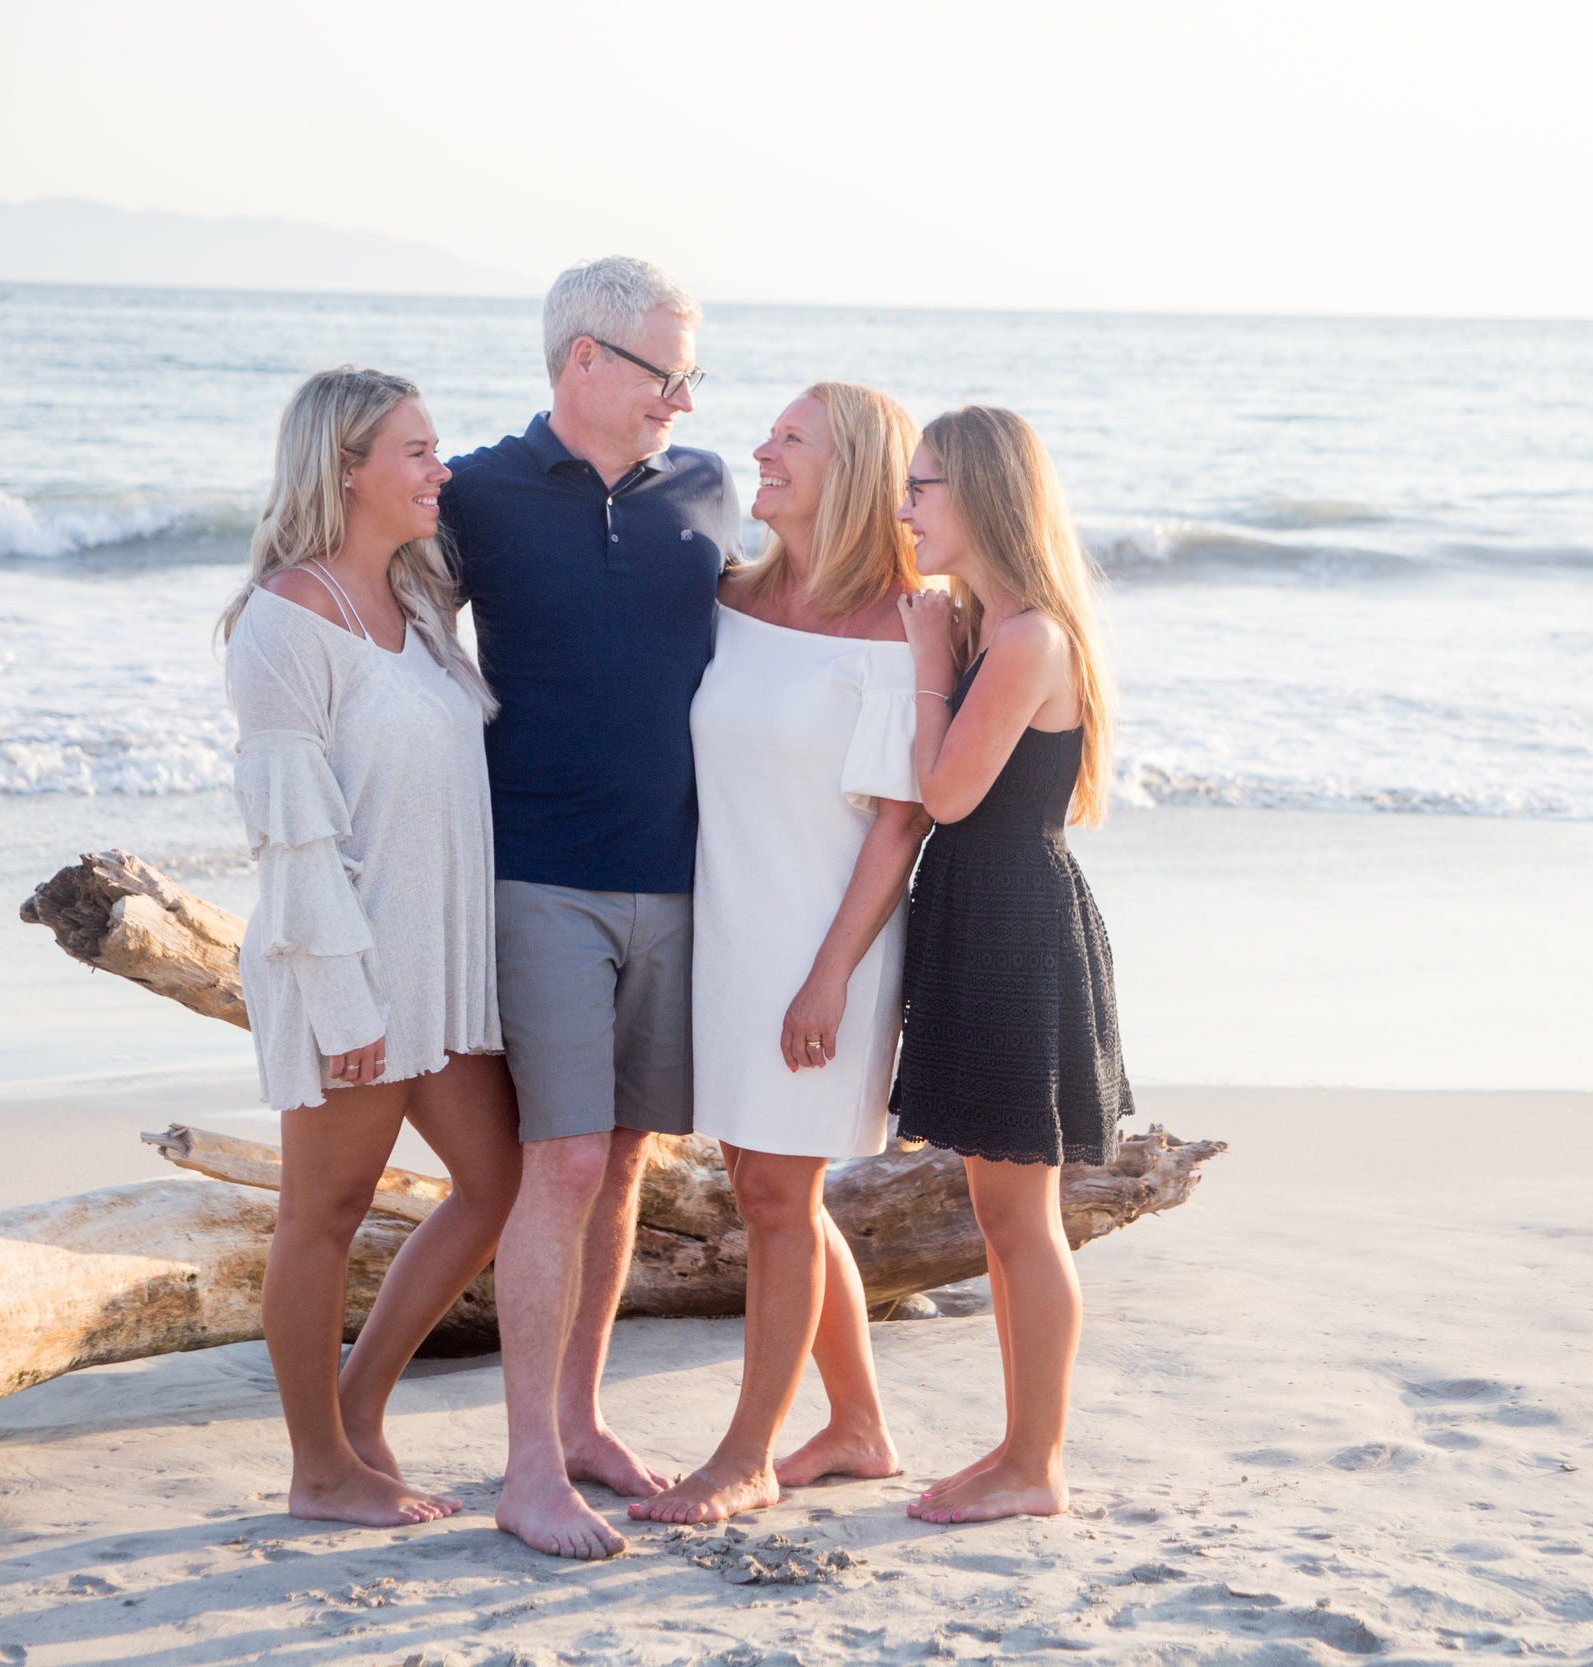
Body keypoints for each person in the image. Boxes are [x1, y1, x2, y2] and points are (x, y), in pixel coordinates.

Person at [439, 257, 741, 1559]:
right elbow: (374, 632)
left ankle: (579, 1422)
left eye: (691, 373)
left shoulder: (711, 488)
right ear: (582, 362)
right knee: (559, 1158)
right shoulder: (475, 495)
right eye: (662, 370)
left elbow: (795, 621)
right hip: (540, 875)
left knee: (625, 1160)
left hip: (683, 878)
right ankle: (522, 1469)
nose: (682, 395)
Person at [218, 367, 521, 1528]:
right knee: (323, 1212)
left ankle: (357, 1409)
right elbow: (293, 841)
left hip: (439, 970)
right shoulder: (285, 619)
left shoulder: (417, 603)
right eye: (417, 450)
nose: (439, 469)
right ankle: (318, 1467)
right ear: (345, 465)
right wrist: (347, 1009)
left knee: (495, 1186)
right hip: (344, 969)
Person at [630, 385, 931, 1525]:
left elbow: (899, 822)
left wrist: (828, 976)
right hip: (729, 924)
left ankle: (745, 1453)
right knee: (774, 1190)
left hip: (830, 940)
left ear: (849, 466)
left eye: (790, 438)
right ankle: (855, 1424)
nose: (760, 447)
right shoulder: (731, 597)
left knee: (773, 1191)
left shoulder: (909, 625)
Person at [891, 405, 1133, 1526]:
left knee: (1020, 1218)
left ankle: (1034, 1461)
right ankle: (1018, 1449)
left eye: (924, 486)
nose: (905, 507)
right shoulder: (999, 625)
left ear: (983, 496)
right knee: (1000, 1215)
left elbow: (946, 793)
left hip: (1013, 927)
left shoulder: (1026, 636)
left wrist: (929, 662)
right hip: (985, 913)